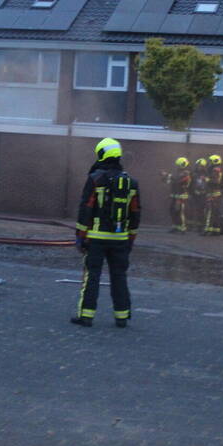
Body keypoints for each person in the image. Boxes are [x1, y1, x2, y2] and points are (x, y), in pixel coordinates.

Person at [72, 138, 141, 329]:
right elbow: (135, 213)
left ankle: (86, 316)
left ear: (101, 154)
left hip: (96, 238)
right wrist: (130, 239)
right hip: (120, 239)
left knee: (92, 276)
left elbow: (86, 208)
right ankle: (122, 317)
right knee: (119, 276)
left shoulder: (95, 179)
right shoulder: (131, 183)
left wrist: (80, 236)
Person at [203, 154, 223, 236]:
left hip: (213, 194)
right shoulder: (218, 170)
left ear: (214, 162)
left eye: (210, 161)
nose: (209, 163)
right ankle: (215, 230)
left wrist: (206, 179)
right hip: (217, 194)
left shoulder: (215, 170)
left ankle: (207, 230)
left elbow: (215, 182)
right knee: (215, 213)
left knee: (209, 212)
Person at [161, 157, 191, 233]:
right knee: (172, 210)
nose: (177, 166)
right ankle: (175, 226)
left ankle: (182, 228)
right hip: (175, 195)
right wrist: (165, 177)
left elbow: (178, 181)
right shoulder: (177, 173)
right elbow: (171, 181)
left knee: (180, 211)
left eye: (178, 165)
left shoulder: (186, 173)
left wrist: (168, 175)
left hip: (181, 195)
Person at [189, 158, 209, 233]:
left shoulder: (207, 174)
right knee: (191, 210)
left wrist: (205, 193)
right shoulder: (193, 174)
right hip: (194, 195)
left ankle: (200, 227)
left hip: (203, 196)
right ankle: (189, 226)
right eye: (197, 166)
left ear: (203, 166)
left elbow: (208, 185)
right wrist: (191, 193)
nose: (198, 167)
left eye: (200, 166)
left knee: (201, 212)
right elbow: (190, 185)